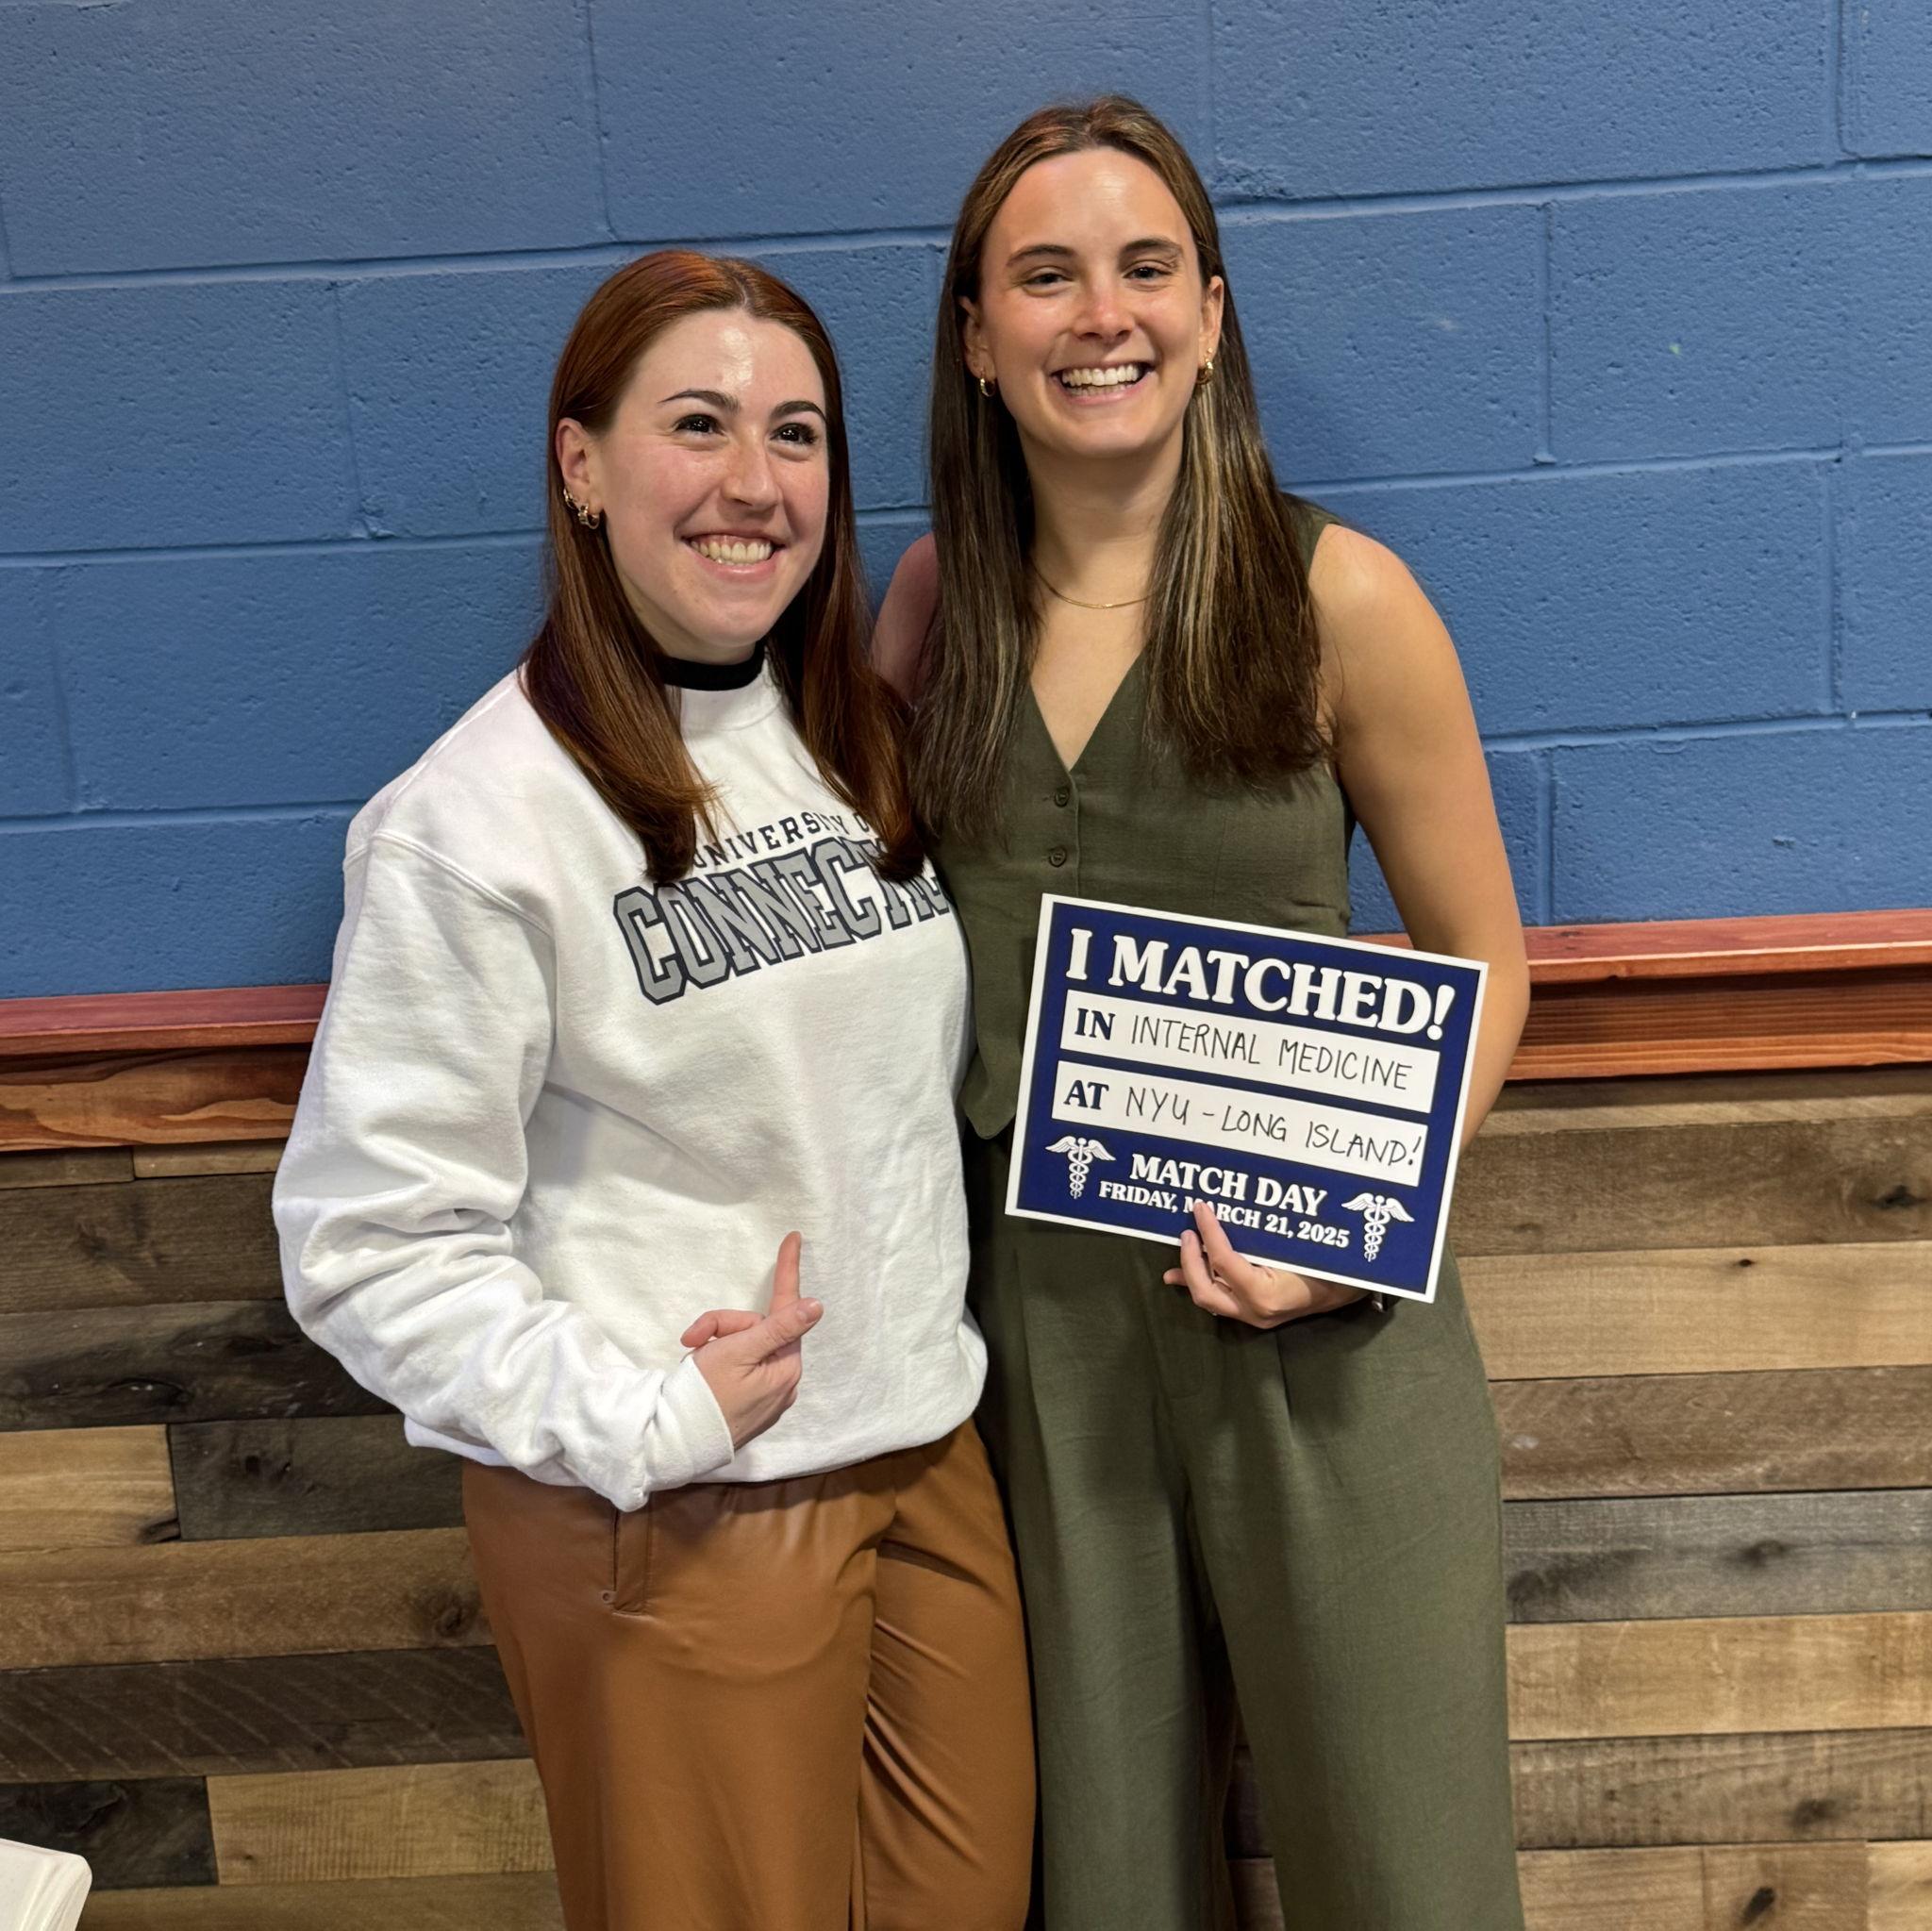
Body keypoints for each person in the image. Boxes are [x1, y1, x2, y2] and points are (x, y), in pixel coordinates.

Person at [273, 251, 1033, 1931]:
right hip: (677, 1500)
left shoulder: (855, 739)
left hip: (919, 1443)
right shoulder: (472, 825)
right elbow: (364, 1243)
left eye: (796, 434)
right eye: (698, 425)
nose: (754, 482)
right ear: (581, 464)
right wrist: (639, 1418)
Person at [875, 98, 1530, 1931]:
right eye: (1046, 275)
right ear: (976, 337)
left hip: (1321, 1320)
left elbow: (1484, 956)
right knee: (1103, 1875)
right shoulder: (930, 608)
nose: (1104, 314)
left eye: (1146, 267)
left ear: (1212, 314)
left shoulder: (1341, 598)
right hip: (1037, 1344)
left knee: (1405, 1864)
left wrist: (1354, 1226)